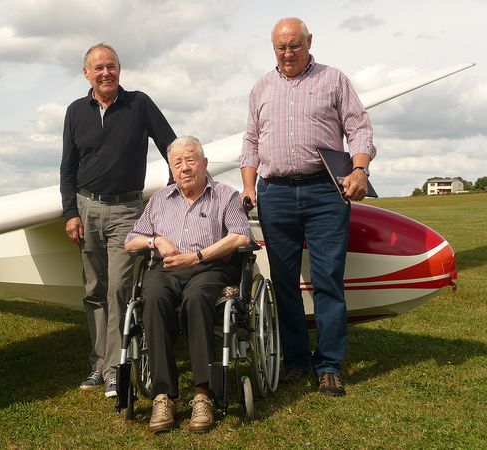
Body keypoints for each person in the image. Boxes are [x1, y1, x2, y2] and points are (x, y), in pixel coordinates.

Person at [240, 17, 377, 397]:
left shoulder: (333, 80)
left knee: (327, 280)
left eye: (294, 46)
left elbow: (359, 128)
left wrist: (360, 169)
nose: (287, 54)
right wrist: (250, 186)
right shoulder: (261, 88)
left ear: (309, 42)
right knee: (283, 283)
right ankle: (297, 361)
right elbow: (250, 142)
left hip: (324, 191)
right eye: (280, 48)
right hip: (275, 194)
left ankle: (329, 364)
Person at [60, 43, 176, 398]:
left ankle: (114, 369)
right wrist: (70, 212)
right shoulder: (75, 111)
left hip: (127, 210)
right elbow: (68, 165)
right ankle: (97, 365)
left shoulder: (139, 103)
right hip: (87, 208)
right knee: (94, 290)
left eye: (111, 66)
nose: (105, 73)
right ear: (87, 74)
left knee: (118, 289)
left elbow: (170, 145)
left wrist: (173, 194)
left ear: (120, 69)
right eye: (98, 68)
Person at [124, 136, 253, 433]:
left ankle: (203, 393)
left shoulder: (225, 195)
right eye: (177, 162)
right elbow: (131, 242)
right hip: (166, 270)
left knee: (197, 299)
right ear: (171, 169)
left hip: (208, 268)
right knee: (153, 297)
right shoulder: (160, 199)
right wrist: (156, 240)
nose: (184, 168)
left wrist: (196, 257)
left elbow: (241, 236)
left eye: (191, 159)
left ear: (205, 164)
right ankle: (163, 395)